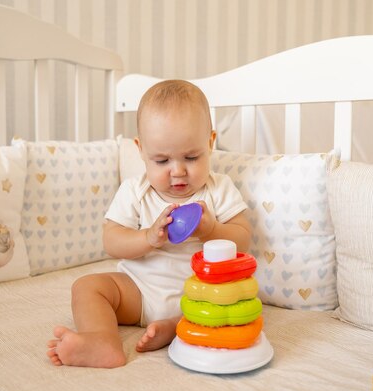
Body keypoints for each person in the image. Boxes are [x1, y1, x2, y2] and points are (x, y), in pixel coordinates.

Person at [46, 79, 251, 368]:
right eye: (162, 160)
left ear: (210, 143)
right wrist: (148, 238)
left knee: (234, 306)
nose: (178, 171)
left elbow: (243, 238)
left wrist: (212, 231)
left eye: (191, 157)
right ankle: (101, 341)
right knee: (88, 286)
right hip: (139, 291)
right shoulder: (135, 190)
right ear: (140, 150)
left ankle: (176, 326)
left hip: (200, 295)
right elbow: (112, 240)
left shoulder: (219, 189)